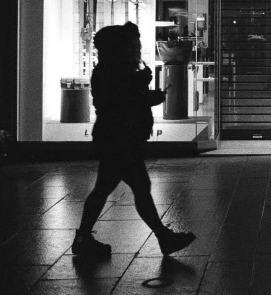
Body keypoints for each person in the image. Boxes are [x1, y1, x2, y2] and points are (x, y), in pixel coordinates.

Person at [72, 22, 195, 258]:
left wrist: (145, 91)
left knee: (109, 188)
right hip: (119, 139)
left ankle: (84, 237)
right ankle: (162, 237)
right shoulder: (113, 72)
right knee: (136, 187)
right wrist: (143, 88)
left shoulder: (108, 70)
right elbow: (122, 102)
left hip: (116, 138)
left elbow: (123, 99)